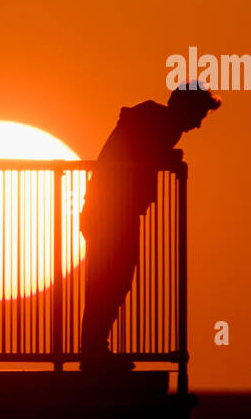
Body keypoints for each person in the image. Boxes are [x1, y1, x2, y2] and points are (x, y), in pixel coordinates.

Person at [79, 81, 221, 371]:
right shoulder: (158, 122)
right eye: (200, 116)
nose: (198, 125)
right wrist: (169, 158)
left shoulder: (159, 123)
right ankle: (93, 350)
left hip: (114, 212)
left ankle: (95, 348)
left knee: (113, 281)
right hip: (111, 213)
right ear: (187, 108)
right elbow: (139, 155)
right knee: (110, 280)